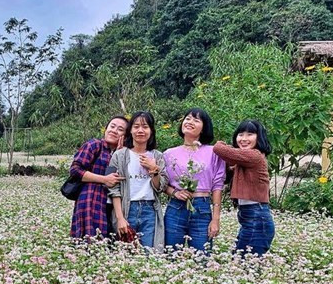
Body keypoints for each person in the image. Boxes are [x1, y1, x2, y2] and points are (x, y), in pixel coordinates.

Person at [162, 108, 225, 253]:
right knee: (171, 255)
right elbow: (163, 184)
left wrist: (215, 219)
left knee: (202, 258)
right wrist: (175, 193)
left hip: (202, 208)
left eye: (196, 120)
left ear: (204, 128)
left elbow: (217, 185)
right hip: (176, 208)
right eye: (188, 118)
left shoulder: (214, 152)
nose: (190, 122)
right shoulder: (168, 154)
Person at [213, 119, 275, 256]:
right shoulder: (243, 161)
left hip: (257, 218)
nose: (244, 139)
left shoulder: (255, 155)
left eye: (250, 134)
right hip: (250, 217)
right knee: (242, 262)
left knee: (245, 263)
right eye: (240, 134)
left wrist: (220, 143)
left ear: (259, 138)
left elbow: (219, 149)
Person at [109, 112, 168, 249]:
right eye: (136, 126)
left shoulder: (158, 156)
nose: (140, 130)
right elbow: (113, 188)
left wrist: (154, 169)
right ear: (130, 130)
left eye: (145, 127)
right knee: (125, 256)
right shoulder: (118, 155)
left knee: (149, 254)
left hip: (150, 211)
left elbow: (161, 187)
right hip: (126, 209)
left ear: (151, 131)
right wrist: (120, 218)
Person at [69, 115, 129, 239]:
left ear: (126, 135)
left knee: (111, 244)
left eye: (120, 129)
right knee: (91, 242)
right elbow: (75, 170)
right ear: (105, 129)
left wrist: (118, 155)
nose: (114, 130)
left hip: (113, 205)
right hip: (92, 201)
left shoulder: (124, 153)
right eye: (112, 126)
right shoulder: (94, 145)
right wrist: (104, 179)